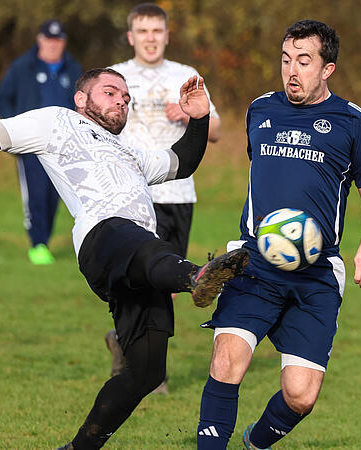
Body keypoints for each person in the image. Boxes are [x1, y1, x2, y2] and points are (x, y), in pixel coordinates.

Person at [0, 68, 250, 450]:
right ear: (81, 99)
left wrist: (199, 117)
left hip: (139, 260)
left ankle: (77, 448)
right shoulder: (56, 122)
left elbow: (180, 162)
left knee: (146, 372)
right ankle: (196, 276)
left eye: (126, 98)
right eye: (110, 92)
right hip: (104, 239)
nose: (121, 101)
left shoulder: (129, 152)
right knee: (143, 243)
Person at [194, 20, 361, 450]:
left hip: (316, 274)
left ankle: (255, 441)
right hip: (255, 263)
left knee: (301, 396)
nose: (291, 71)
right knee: (226, 360)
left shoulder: (351, 121)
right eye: (285, 60)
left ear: (327, 69)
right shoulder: (260, 110)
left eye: (304, 61)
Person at [105, 2, 223, 395]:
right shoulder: (115, 76)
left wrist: (192, 116)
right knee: (140, 279)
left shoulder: (184, 75)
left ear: (167, 36)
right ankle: (152, 371)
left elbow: (216, 129)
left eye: (157, 31)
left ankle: (129, 349)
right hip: (131, 194)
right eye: (143, 31)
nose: (150, 38)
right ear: (130, 36)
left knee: (166, 284)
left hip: (177, 194)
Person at [0, 19, 82, 265]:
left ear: (64, 42)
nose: (53, 45)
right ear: (40, 40)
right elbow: (3, 97)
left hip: (63, 146)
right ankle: (37, 244)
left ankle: (46, 240)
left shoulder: (73, 69)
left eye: (58, 40)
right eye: (49, 39)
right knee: (35, 194)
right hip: (30, 144)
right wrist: (12, 130)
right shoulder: (23, 67)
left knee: (55, 196)